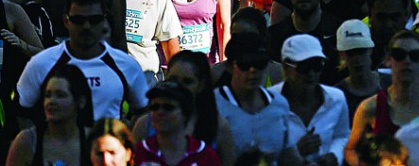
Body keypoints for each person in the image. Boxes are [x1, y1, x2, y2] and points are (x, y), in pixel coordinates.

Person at [18, 0, 148, 122]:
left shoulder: (127, 65)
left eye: (94, 19)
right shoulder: (42, 63)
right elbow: (22, 112)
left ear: (104, 21)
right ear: (66, 21)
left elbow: (143, 113)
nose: (87, 26)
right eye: (78, 20)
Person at [214, 32, 305, 163]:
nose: (253, 70)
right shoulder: (213, 106)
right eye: (245, 64)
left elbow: (287, 154)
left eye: (260, 63)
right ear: (229, 67)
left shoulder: (278, 103)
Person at [345, 29, 419, 164]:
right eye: (399, 55)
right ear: (388, 59)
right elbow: (350, 149)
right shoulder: (371, 107)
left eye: (415, 55)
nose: (407, 61)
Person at [273, 33, 351, 166]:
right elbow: (261, 153)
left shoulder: (337, 98)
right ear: (286, 67)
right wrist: (294, 153)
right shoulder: (268, 102)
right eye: (304, 67)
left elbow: (342, 135)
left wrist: (334, 155)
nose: (311, 74)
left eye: (317, 66)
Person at [6, 65, 93, 166]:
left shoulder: (92, 141)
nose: (51, 101)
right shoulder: (27, 141)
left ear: (81, 101)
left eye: (60, 95)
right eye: (48, 95)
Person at [133, 80, 221, 166]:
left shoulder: (206, 156)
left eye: (168, 107)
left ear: (185, 113)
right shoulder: (138, 153)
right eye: (155, 107)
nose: (160, 112)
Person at [334, 19, 379, 121]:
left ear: (370, 50)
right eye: (351, 53)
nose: (357, 58)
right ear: (342, 54)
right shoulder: (337, 97)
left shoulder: (388, 83)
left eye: (361, 51)